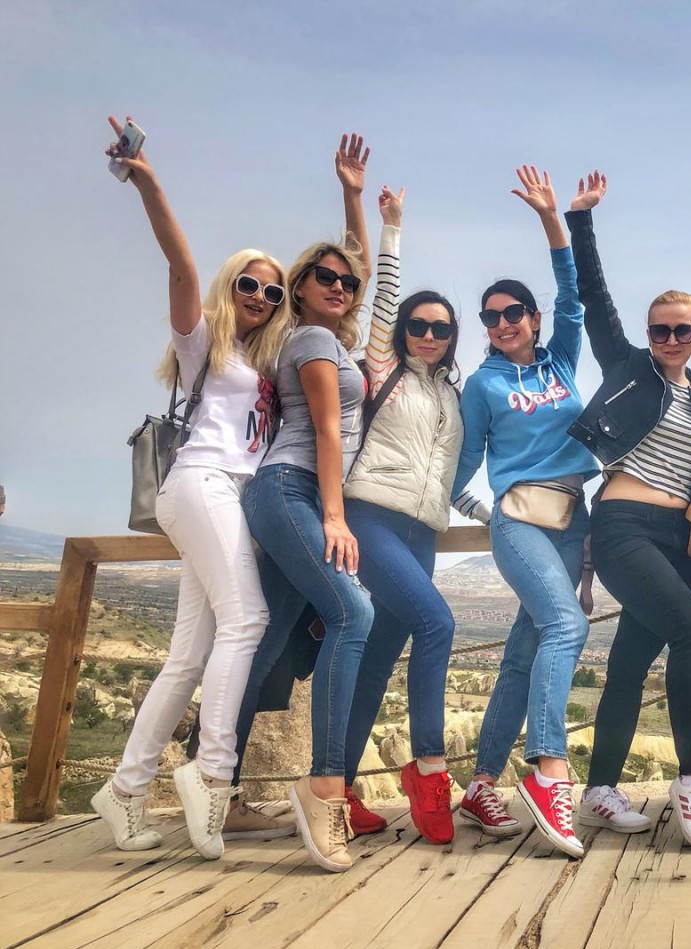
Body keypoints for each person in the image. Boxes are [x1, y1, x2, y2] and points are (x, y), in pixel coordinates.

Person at [92, 115, 290, 858]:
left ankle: (124, 790)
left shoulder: (270, 358)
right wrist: (148, 181)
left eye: (272, 291)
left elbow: (346, 293)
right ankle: (211, 776)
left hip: (225, 501)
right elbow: (178, 265)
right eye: (249, 283)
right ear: (228, 286)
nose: (261, 296)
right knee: (248, 620)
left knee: (188, 654)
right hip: (203, 484)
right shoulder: (203, 339)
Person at [564, 173, 691, 853]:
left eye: (682, 329)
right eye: (661, 328)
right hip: (624, 527)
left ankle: (599, 789)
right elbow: (594, 299)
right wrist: (580, 221)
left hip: (675, 541)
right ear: (649, 332)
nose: (671, 337)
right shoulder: (628, 366)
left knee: (630, 662)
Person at [451, 166, 597, 859]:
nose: (504, 323)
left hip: (573, 519)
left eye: (514, 313)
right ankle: (548, 772)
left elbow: (574, 297)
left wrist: (551, 219)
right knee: (567, 626)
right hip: (519, 521)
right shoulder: (483, 385)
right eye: (491, 317)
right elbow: (462, 464)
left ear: (533, 320)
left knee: (524, 652)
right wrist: (484, 512)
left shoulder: (560, 362)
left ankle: (481, 784)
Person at [232, 227, 373, 871]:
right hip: (292, 488)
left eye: (349, 281)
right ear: (301, 286)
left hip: (299, 495)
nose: (340, 287)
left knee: (268, 638)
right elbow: (325, 429)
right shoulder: (313, 339)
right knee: (353, 612)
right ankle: (324, 787)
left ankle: (219, 784)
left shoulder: (333, 340)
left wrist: (363, 203)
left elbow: (362, 264)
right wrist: (335, 517)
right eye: (326, 277)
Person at [338, 184, 466, 845]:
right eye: (420, 325)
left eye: (441, 328)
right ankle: (430, 769)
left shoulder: (453, 392)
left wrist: (490, 513)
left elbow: (447, 475)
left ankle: (338, 789)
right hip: (373, 517)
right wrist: (390, 227)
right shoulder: (384, 366)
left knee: (380, 656)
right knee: (437, 622)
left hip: (423, 533)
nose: (430, 335)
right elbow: (383, 296)